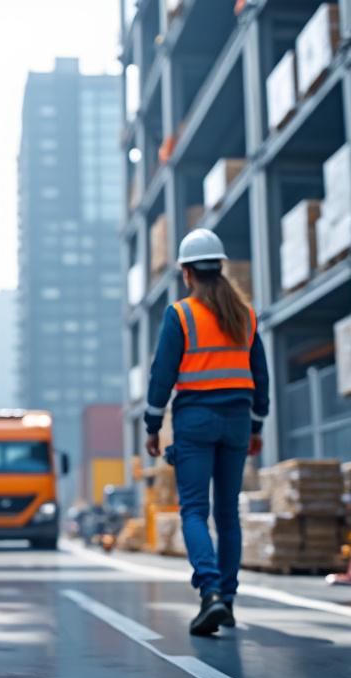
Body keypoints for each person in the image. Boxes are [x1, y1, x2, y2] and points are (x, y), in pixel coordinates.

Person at [144, 228, 269, 636]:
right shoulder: (245, 316)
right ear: (220, 267)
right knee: (227, 513)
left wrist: (151, 424)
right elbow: (260, 377)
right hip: (236, 422)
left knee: (194, 511)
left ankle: (210, 592)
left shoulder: (180, 315)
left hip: (195, 421)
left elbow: (162, 374)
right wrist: (256, 425)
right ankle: (227, 600)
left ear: (186, 273)